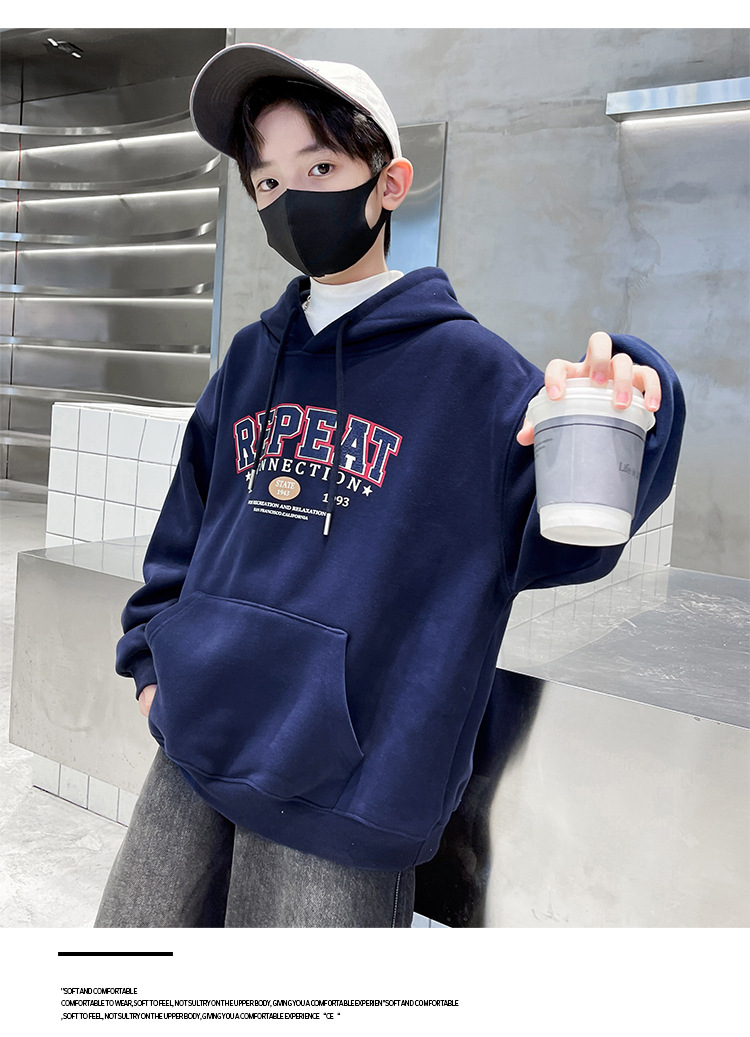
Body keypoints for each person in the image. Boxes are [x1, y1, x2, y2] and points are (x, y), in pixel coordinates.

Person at [95, 42, 685, 928]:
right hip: (194, 746)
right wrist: (153, 665)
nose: (289, 198)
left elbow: (573, 537)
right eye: (266, 181)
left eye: (320, 168)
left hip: (346, 801)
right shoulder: (251, 359)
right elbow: (182, 534)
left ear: (390, 183)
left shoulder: (474, 377)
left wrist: (637, 393)